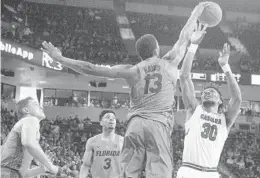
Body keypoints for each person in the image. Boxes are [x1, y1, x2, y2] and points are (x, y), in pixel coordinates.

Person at [42, 3, 209, 177]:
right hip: (158, 123)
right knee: (160, 172)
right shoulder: (169, 62)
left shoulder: (132, 70)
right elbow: (184, 37)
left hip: (135, 126)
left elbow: (91, 68)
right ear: (156, 49)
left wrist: (60, 58)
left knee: (128, 173)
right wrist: (195, 13)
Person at [177, 23, 242, 178]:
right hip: (189, 170)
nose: (207, 94)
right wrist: (193, 46)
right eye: (205, 93)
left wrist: (226, 67)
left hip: (211, 173)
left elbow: (237, 99)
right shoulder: (194, 109)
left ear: (220, 101)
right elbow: (184, 77)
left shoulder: (225, 119)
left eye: (212, 92)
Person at [1, 97, 61, 178]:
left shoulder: (26, 126)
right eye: (36, 104)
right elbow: (28, 143)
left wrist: (42, 169)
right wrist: (50, 166)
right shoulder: (30, 119)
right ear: (26, 110)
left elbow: (23, 174)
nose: (41, 107)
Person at [79, 110, 124, 178]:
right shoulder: (92, 141)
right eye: (108, 117)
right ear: (101, 122)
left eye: (113, 118)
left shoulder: (123, 141)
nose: (111, 119)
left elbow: (129, 166)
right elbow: (85, 165)